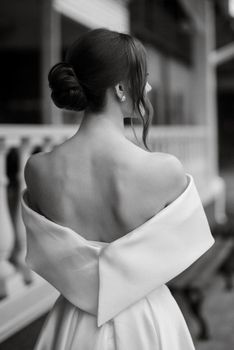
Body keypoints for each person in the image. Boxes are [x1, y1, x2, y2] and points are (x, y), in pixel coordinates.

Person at [21, 28, 215, 349]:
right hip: (148, 321)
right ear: (122, 88)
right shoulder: (164, 170)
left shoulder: (38, 169)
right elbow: (184, 247)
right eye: (144, 77)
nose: (148, 88)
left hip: (71, 326)